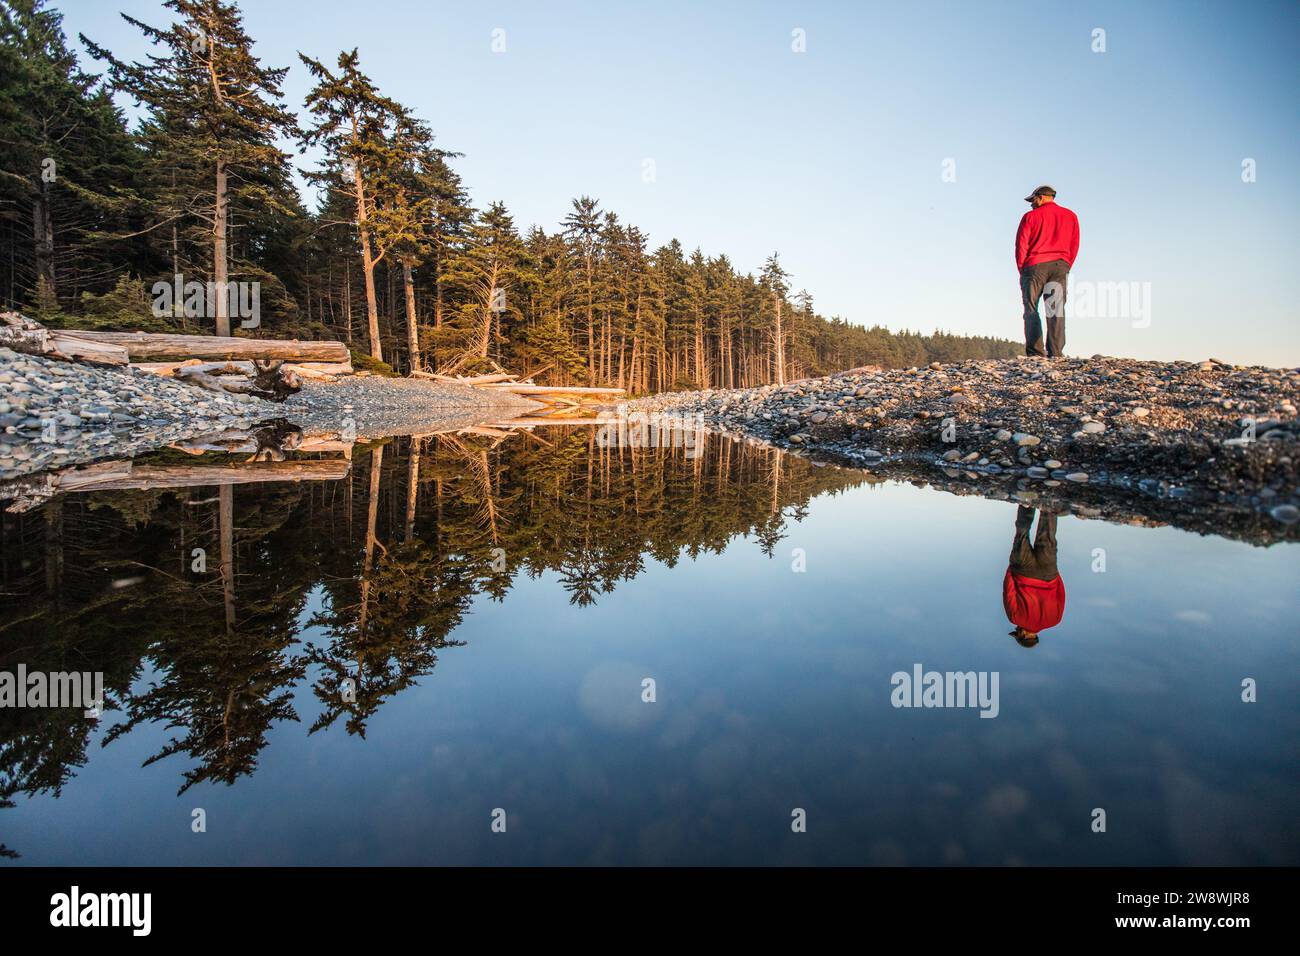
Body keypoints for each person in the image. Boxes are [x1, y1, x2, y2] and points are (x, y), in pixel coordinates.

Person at [1015, 185, 1079, 358]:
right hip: (1060, 266)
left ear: (1041, 197)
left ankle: (1035, 353)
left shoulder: (1030, 217)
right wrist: (1066, 264)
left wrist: (1022, 268)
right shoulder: (1070, 216)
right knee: (1055, 309)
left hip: (1034, 266)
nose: (1031, 204)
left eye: (1033, 200)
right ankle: (1056, 352)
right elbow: (1074, 244)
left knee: (1031, 308)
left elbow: (1021, 244)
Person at [1003, 505, 1066, 647]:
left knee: (1048, 536)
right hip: (1023, 572)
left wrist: (1055, 575)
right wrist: (1011, 568)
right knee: (1021, 534)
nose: (1016, 630)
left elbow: (1061, 594)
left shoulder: (1055, 620)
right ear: (1023, 635)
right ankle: (1027, 502)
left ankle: (1049, 503)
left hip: (1048, 575)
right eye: (1017, 633)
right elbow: (1009, 593)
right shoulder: (1015, 618)